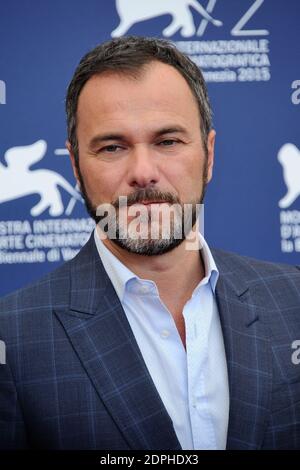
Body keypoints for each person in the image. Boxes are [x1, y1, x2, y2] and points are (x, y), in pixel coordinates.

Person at [0, 36, 300, 450]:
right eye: (112, 146)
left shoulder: (293, 298)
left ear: (209, 156)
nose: (143, 172)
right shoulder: (11, 338)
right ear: (75, 166)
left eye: (167, 141)